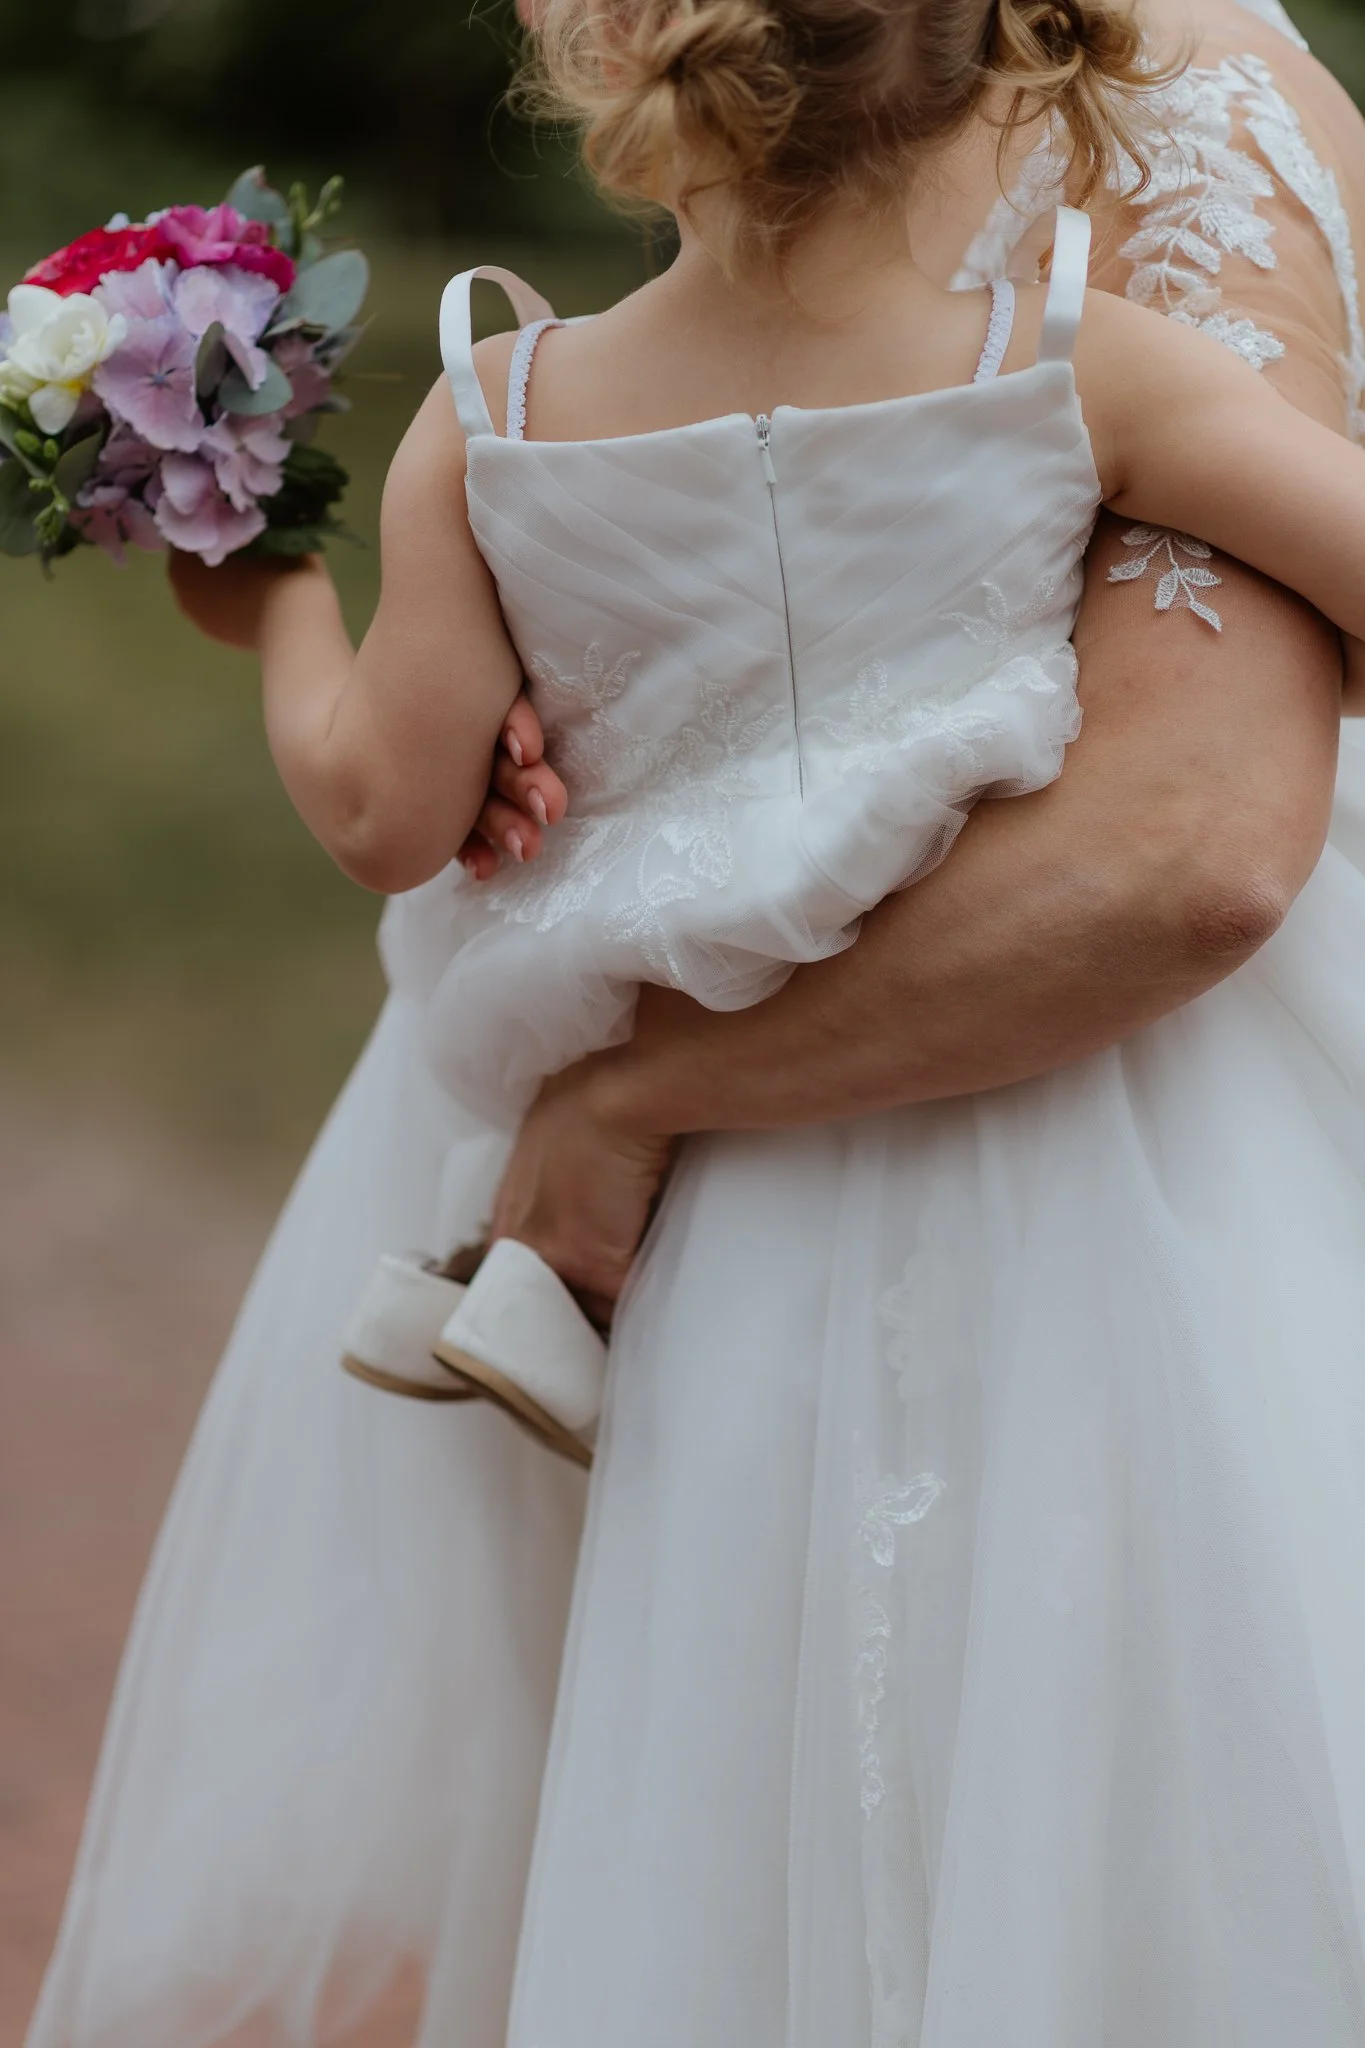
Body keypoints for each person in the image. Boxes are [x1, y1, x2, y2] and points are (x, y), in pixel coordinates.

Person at [29, 10, 1365, 2048]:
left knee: (726, 1776)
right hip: (1053, 1157)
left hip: (713, 1232)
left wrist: (271, 603)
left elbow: (388, 818)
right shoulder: (1081, 364)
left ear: (615, 95)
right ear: (981, 84)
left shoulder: (495, 415)